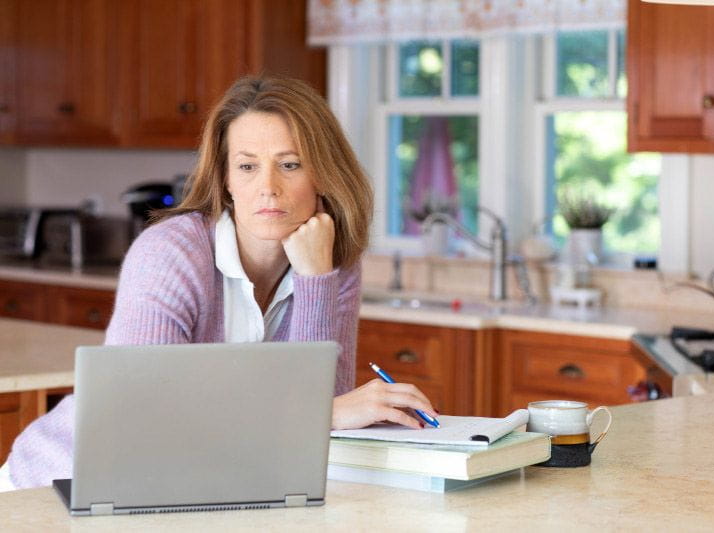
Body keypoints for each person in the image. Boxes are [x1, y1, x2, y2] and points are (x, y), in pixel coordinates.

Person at [1, 76, 437, 490]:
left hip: (204, 486)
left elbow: (318, 413)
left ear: (322, 173)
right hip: (62, 484)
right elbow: (144, 416)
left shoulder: (329, 262)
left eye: (290, 164)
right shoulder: (169, 253)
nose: (268, 187)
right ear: (226, 180)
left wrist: (314, 280)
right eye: (247, 166)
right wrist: (317, 413)